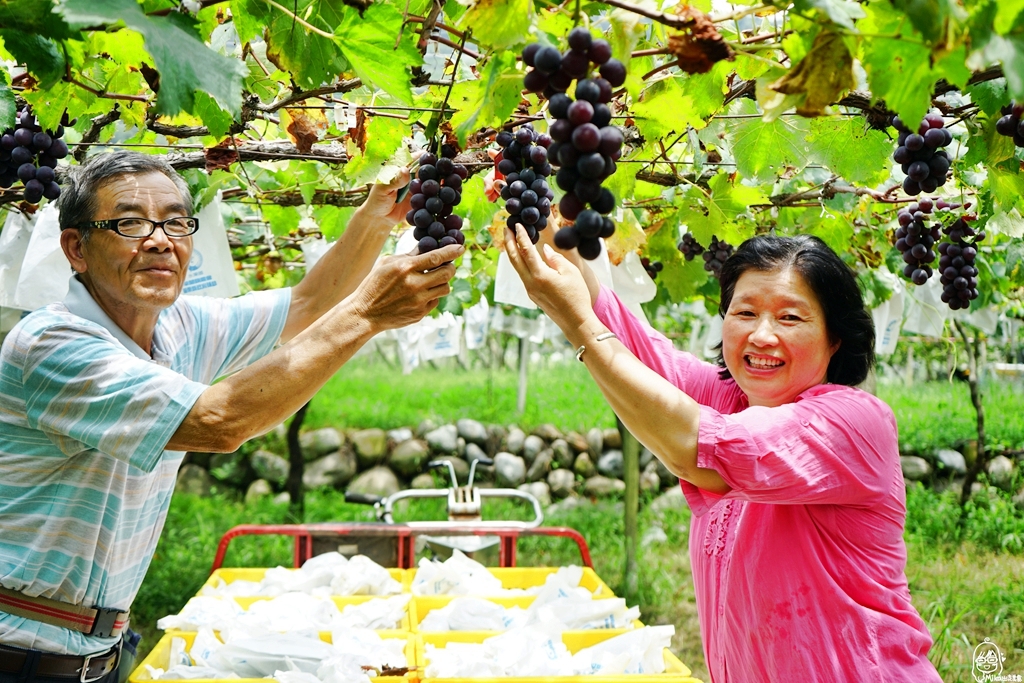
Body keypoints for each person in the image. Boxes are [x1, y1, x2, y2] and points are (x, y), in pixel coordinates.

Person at [0, 151, 462, 683]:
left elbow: (307, 305)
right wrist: (365, 315)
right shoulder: (52, 344)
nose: (159, 240)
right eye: (130, 223)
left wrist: (375, 221)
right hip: (17, 652)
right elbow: (219, 422)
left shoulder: (177, 324)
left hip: (95, 653)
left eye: (175, 221)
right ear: (76, 248)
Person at [503, 228, 941, 682]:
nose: (762, 335)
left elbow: (700, 451)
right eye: (745, 312)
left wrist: (577, 325)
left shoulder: (853, 423)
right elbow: (630, 340)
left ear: (835, 338)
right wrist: (557, 231)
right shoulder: (729, 399)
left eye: (790, 318)